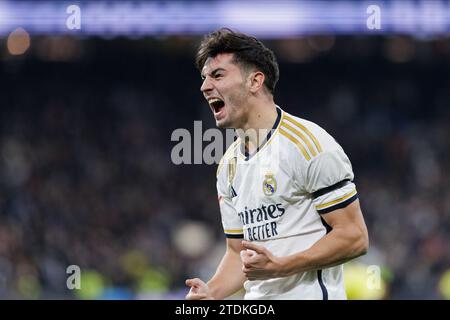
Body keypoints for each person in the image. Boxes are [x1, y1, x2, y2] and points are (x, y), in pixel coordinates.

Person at [185, 28, 369, 300]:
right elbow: (238, 254)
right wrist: (211, 292)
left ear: (255, 81)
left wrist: (282, 266)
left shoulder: (308, 144)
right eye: (204, 78)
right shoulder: (228, 165)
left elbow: (354, 237)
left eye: (218, 75)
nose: (204, 86)